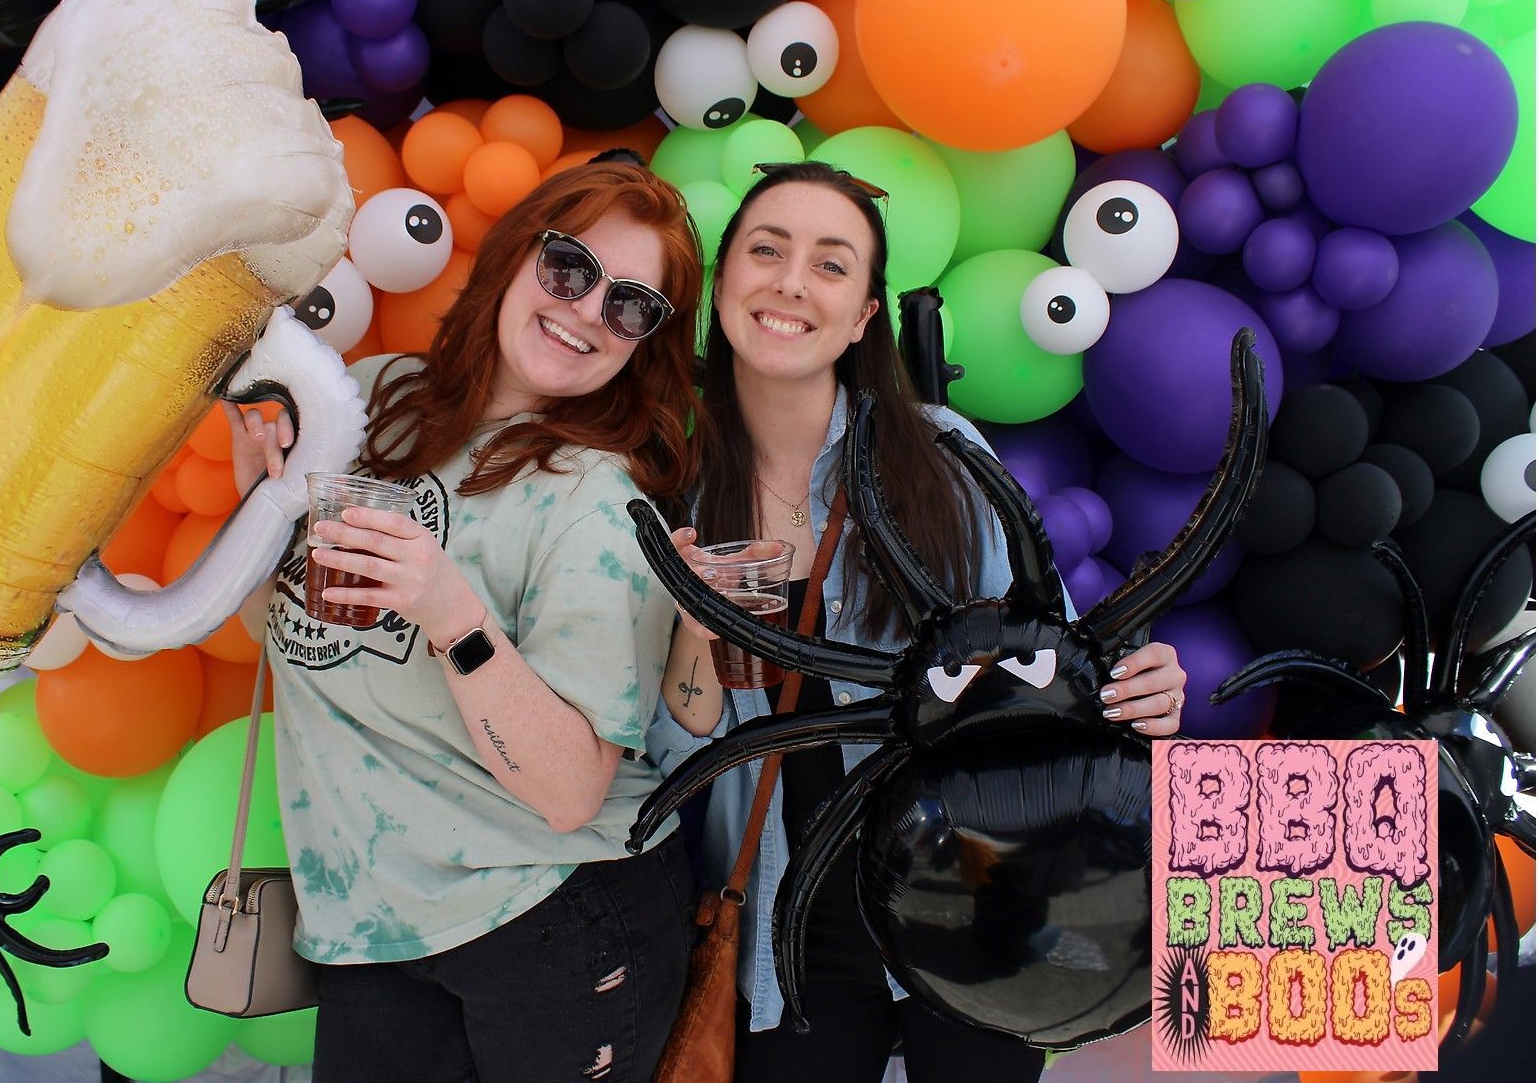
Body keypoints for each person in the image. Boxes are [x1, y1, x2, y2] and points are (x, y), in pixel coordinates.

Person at [646, 160, 1188, 1083]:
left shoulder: (941, 456)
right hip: (789, 919)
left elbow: (1042, 672)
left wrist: (1138, 698)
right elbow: (674, 751)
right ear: (723, 283)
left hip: (979, 885)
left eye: (831, 263)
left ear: (862, 315)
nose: (789, 282)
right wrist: (696, 622)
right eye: (766, 251)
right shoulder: (670, 484)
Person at [228, 161, 705, 1083]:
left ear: (643, 343)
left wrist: (452, 612)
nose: (586, 311)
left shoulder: (596, 501)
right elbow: (278, 631)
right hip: (368, 920)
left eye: (632, 306)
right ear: (517, 256)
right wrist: (262, 492)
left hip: (547, 919)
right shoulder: (373, 399)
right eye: (570, 269)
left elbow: (570, 793)